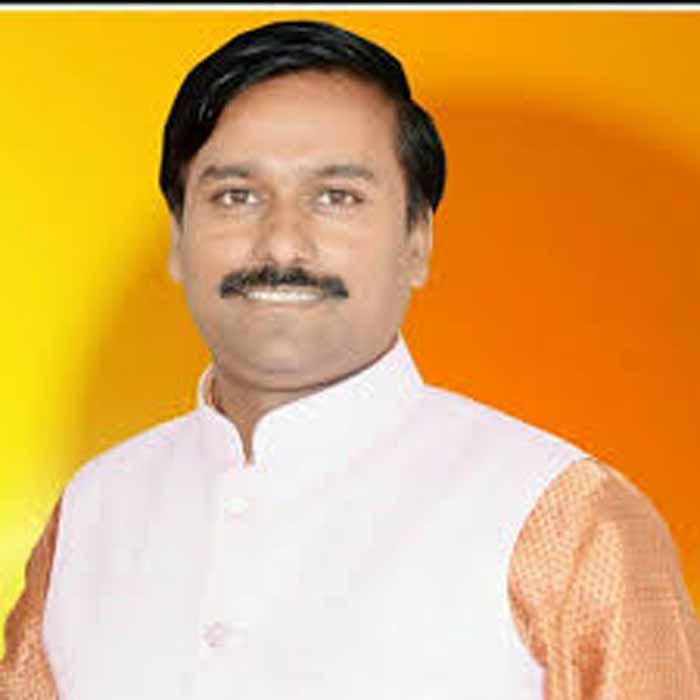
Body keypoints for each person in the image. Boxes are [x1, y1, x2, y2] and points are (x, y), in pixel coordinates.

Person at [1, 19, 699, 700]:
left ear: (417, 240)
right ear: (178, 240)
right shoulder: (95, 511)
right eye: (236, 196)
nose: (282, 244)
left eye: (336, 198)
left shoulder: (561, 519)